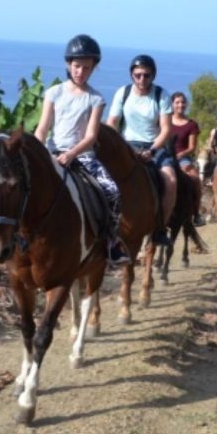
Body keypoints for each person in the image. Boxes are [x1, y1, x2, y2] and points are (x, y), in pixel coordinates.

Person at [34, 34, 129, 266]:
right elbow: (42, 128)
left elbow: (91, 137)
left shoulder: (96, 99)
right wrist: (41, 152)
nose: (80, 72)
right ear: (69, 64)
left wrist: (71, 154)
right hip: (53, 152)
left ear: (93, 68)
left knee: (113, 191)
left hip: (82, 155)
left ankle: (110, 241)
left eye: (86, 68)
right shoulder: (54, 93)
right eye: (77, 66)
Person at [106, 54, 175, 246]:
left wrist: (152, 151)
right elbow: (112, 122)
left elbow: (167, 129)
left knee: (170, 181)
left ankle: (160, 228)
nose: (142, 80)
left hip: (154, 146)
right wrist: (120, 145)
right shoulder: (123, 93)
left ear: (153, 75)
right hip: (126, 144)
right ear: (131, 75)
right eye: (137, 75)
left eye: (146, 75)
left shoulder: (162, 95)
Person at [169, 92, 205, 226]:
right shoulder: (164, 120)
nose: (180, 105)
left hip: (182, 158)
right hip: (165, 155)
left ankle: (196, 213)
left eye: (183, 102)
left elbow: (191, 147)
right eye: (177, 102)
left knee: (196, 179)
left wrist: (180, 155)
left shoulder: (191, 125)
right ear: (172, 104)